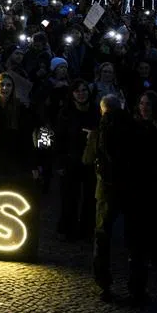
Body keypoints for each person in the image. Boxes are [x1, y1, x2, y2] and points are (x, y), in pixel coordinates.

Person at [85, 94, 154, 306]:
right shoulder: (137, 128)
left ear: (102, 110)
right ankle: (137, 287)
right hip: (134, 190)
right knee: (136, 240)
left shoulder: (100, 132)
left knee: (102, 236)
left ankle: (104, 284)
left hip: (107, 191)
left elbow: (88, 159)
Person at [54, 80, 97, 241]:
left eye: (84, 90)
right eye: (77, 91)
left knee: (89, 198)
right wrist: (59, 161)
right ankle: (68, 228)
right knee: (69, 197)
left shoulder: (94, 111)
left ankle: (86, 229)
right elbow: (59, 138)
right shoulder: (65, 113)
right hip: (70, 160)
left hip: (90, 160)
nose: (81, 94)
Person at [0, 73, 38, 179]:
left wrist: (32, 164)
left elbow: (26, 138)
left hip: (16, 160)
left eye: (9, 85)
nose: (5, 88)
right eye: (2, 85)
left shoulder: (20, 109)